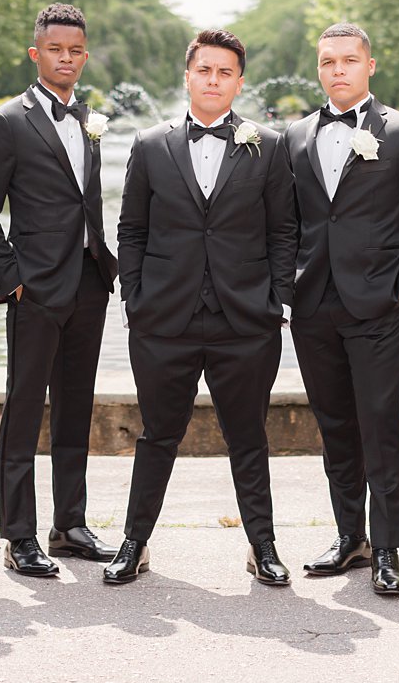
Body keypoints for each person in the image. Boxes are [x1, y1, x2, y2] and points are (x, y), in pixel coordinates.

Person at [105, 29, 297, 586]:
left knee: (248, 437)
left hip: (246, 320)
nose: (214, 80)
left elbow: (285, 231)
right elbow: (131, 230)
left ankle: (262, 546)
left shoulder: (269, 144)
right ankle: (134, 543)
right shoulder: (148, 144)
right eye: (204, 70)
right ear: (187, 76)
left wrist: (275, 301)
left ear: (239, 81)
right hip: (164, 320)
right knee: (157, 435)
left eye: (225, 72)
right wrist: (135, 299)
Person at [284, 23, 399, 595]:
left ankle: (387, 550)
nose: (338, 71)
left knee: (381, 427)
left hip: (379, 305)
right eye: (328, 61)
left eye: (349, 60)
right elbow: (289, 222)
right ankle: (348, 536)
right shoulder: (296, 135)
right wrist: (288, 282)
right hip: (313, 307)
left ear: (369, 66)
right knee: (334, 426)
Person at [0, 3, 118, 577]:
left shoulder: (87, 118)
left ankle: (70, 525)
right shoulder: (7, 121)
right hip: (36, 287)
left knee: (76, 409)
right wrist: (13, 279)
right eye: (56, 49)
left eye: (77, 50)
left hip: (88, 282)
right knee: (24, 410)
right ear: (36, 53)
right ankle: (19, 536)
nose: (67, 59)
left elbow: (85, 201)